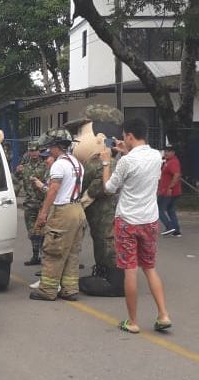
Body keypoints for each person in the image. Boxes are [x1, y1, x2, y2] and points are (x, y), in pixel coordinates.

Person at [100, 118, 172, 334]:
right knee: (149, 267)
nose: (122, 140)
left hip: (128, 221)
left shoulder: (126, 162)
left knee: (130, 270)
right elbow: (139, 168)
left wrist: (106, 162)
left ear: (130, 136)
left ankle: (132, 322)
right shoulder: (157, 155)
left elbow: (109, 188)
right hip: (150, 220)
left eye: (124, 137)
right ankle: (163, 315)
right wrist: (125, 152)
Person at [64, 105, 125, 296]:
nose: (76, 140)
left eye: (80, 133)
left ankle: (115, 279)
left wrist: (88, 196)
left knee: (108, 240)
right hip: (98, 213)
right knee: (100, 240)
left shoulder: (108, 162)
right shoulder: (92, 161)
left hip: (106, 214)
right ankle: (103, 270)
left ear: (100, 138)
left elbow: (103, 183)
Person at [29, 135, 86, 301]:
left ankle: (48, 290)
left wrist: (43, 213)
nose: (48, 151)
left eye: (50, 147)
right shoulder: (77, 163)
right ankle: (70, 289)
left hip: (63, 211)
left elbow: (54, 190)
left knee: (54, 251)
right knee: (72, 252)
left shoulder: (59, 165)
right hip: (78, 210)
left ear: (56, 147)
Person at [16, 137, 48, 266]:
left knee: (44, 232)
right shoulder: (24, 167)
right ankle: (35, 256)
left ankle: (45, 256)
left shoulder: (45, 166)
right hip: (29, 204)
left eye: (35, 150)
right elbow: (17, 179)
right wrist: (18, 172)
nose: (33, 153)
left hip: (41, 204)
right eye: (31, 150)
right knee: (32, 232)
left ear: (39, 151)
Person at [158, 144, 182, 237]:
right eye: (166, 151)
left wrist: (170, 187)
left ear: (173, 152)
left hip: (169, 191)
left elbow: (176, 175)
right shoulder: (168, 162)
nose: (166, 153)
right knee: (170, 209)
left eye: (169, 151)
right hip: (170, 191)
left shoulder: (173, 162)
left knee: (158, 208)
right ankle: (176, 230)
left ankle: (169, 226)